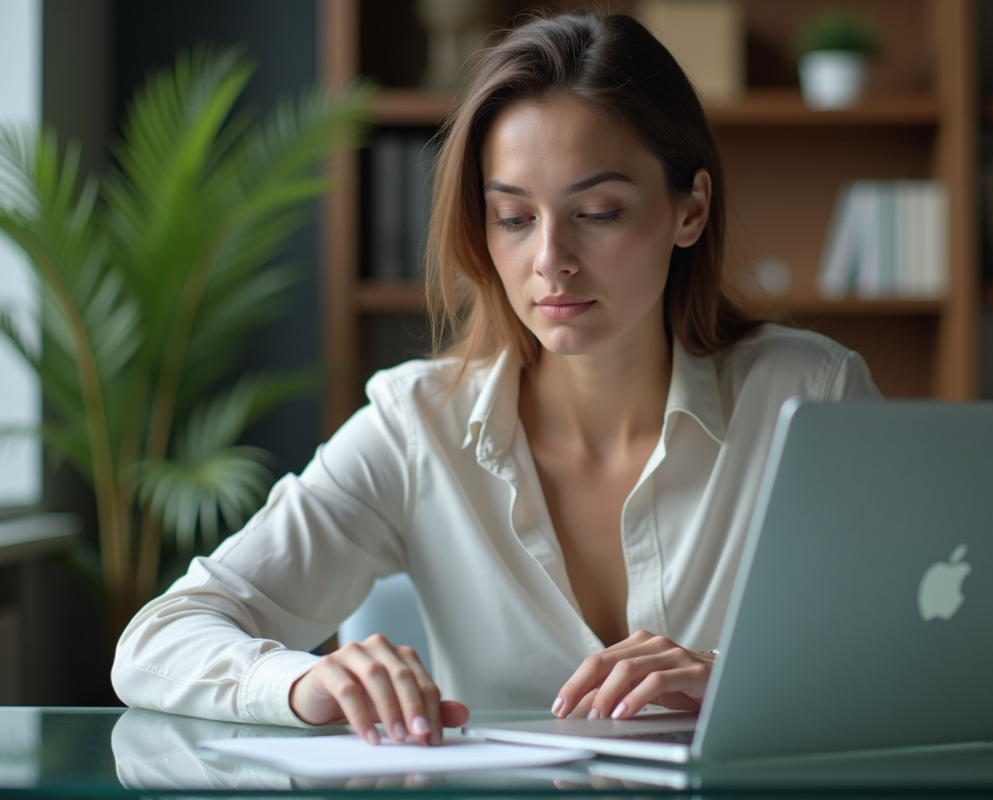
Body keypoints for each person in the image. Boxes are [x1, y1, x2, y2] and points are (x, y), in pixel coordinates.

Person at [112, 10, 881, 748]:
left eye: (600, 211)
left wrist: (739, 682)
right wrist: (304, 683)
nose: (551, 259)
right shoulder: (415, 424)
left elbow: (932, 655)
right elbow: (157, 640)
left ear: (691, 209)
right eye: (514, 218)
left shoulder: (810, 396)